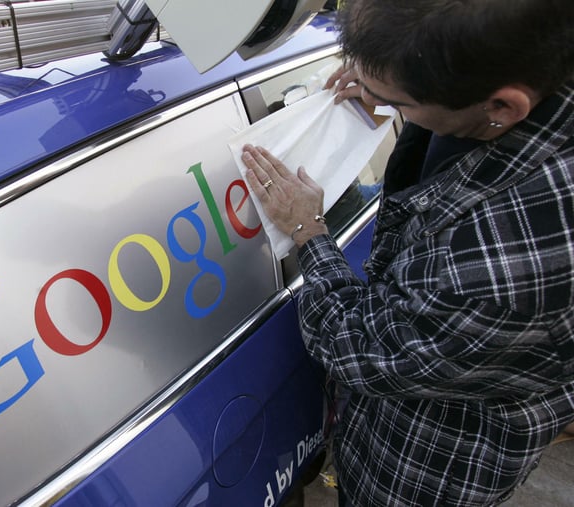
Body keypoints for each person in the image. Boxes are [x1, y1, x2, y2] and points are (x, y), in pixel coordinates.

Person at [241, 1, 574, 505]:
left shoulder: (507, 265)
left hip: (425, 464)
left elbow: (361, 348)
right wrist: (387, 78)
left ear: (503, 107)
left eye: (395, 101)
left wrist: (308, 230)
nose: (367, 95)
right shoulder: (507, 71)